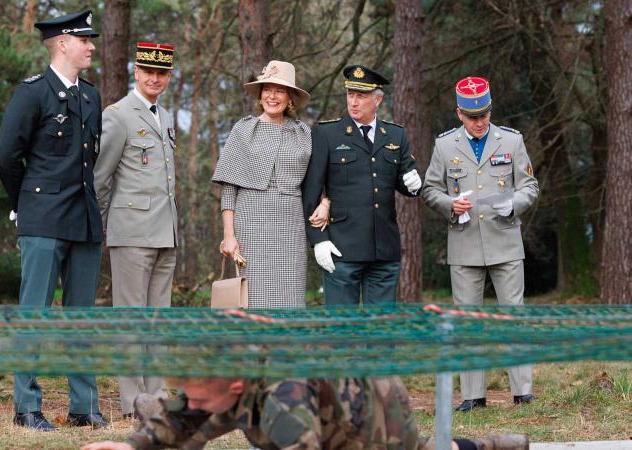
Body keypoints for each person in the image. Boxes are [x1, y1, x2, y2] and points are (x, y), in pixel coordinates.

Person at [0, 10, 107, 430]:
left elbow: (87, 159)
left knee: (83, 318)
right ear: (62, 43)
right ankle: (27, 407)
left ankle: (84, 407)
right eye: (84, 39)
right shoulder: (32, 93)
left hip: (83, 220)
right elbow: (7, 156)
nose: (91, 45)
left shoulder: (91, 96)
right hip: (42, 219)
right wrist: (22, 203)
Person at [422, 76, 539, 412]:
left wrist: (514, 203)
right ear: (459, 113)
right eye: (472, 116)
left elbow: (529, 186)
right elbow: (431, 190)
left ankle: (523, 391)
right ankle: (473, 395)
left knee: (513, 316)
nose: (479, 122)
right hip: (465, 243)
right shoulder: (445, 146)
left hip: (504, 239)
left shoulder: (511, 141)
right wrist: (449, 205)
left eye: (484, 115)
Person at [81, 376, 529, 450]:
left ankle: (491, 445)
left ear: (235, 388)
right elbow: (181, 415)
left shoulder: (283, 402)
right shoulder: (213, 380)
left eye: (200, 398)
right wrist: (131, 443)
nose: (192, 403)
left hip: (371, 407)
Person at [93, 42, 177, 417]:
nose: (154, 78)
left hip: (165, 231)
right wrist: (113, 224)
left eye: (161, 73)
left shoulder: (166, 115)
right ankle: (131, 403)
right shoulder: (118, 115)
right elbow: (100, 178)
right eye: (148, 71)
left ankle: (156, 398)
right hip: (131, 231)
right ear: (136, 72)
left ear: (169, 76)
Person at [301, 65, 423, 305]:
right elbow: (311, 192)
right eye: (350, 95)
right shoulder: (328, 134)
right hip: (341, 248)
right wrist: (318, 239)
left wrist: (414, 184)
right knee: (342, 330)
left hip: (383, 251)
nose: (354, 102)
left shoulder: (395, 135)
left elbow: (404, 184)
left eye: (362, 96)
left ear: (377, 100)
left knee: (381, 330)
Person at [212, 60, 312, 308]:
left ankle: (285, 345)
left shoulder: (303, 132)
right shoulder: (244, 129)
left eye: (279, 90)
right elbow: (228, 187)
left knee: (289, 295)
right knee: (251, 295)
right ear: (260, 94)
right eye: (267, 89)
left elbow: (317, 180)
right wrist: (229, 236)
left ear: (290, 97)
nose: (272, 96)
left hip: (291, 226)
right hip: (250, 225)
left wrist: (325, 202)